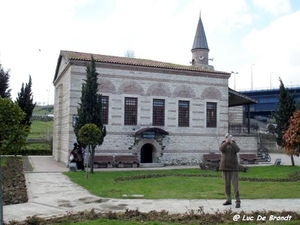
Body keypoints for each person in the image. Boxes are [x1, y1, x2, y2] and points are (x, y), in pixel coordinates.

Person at [219, 133, 241, 208]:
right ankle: (228, 200)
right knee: (226, 185)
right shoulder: (223, 144)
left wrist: (231, 142)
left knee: (235, 185)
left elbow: (237, 150)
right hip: (225, 167)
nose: (228, 139)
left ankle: (237, 201)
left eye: (230, 137)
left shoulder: (234, 144)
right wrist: (226, 142)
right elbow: (221, 149)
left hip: (233, 167)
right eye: (227, 137)